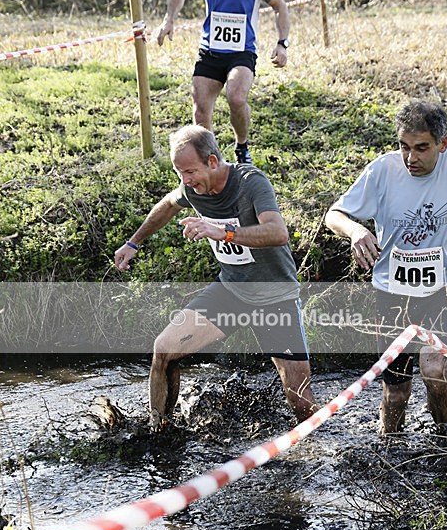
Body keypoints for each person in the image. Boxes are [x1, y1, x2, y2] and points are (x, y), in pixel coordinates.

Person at [115, 125, 317, 430]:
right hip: (231, 293)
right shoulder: (191, 188)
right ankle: (159, 431)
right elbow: (168, 205)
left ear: (213, 161)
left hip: (274, 296)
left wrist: (224, 233)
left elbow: (278, 233)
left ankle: (317, 449)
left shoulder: (251, 182)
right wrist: (134, 242)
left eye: (190, 171)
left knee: (299, 399)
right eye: (179, 173)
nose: (186, 181)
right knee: (164, 348)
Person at [325, 101, 447, 437]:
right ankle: (391, 452)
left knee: (433, 368)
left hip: (442, 287)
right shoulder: (382, 171)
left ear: (443, 143)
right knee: (396, 390)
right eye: (404, 147)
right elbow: (333, 215)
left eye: (422, 148)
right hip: (391, 291)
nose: (411, 158)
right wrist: (356, 231)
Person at [154, 0, 290, 164]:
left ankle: (242, 147)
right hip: (210, 50)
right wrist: (169, 20)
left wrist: (282, 43)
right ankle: (209, 161)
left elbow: (280, 5)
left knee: (236, 98)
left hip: (241, 51)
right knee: (200, 109)